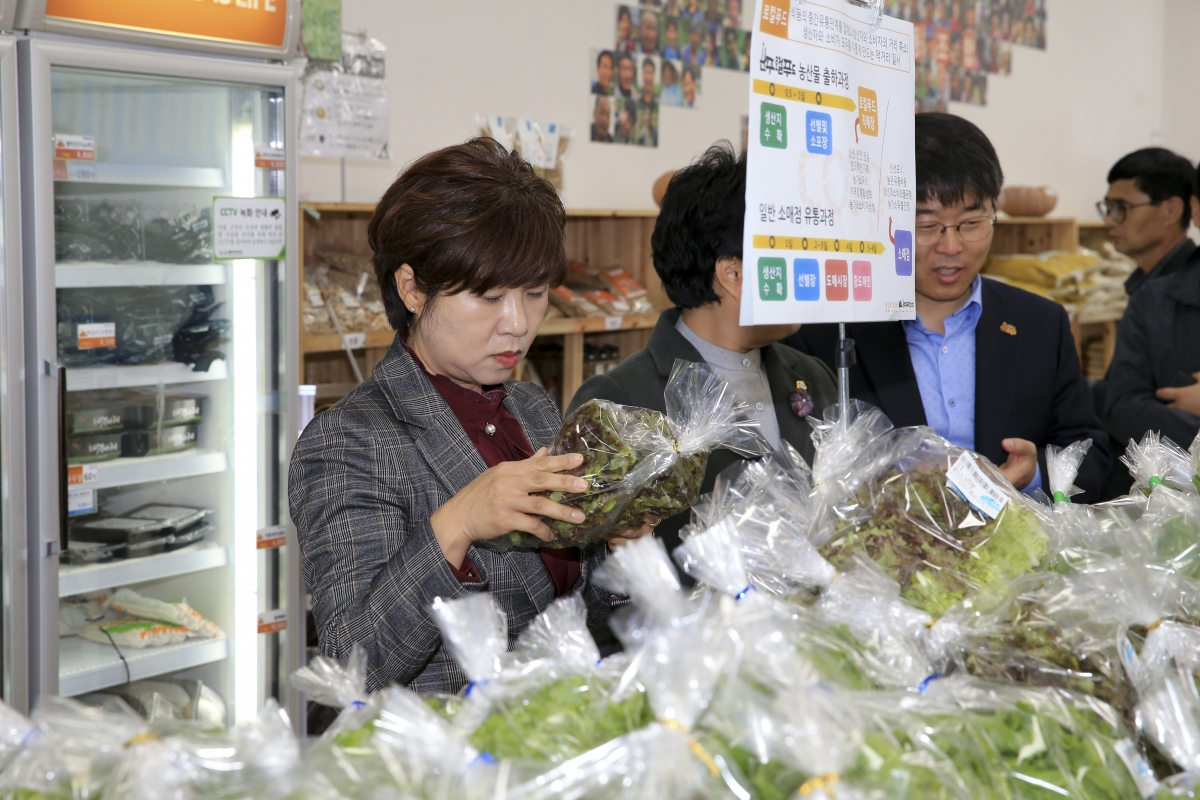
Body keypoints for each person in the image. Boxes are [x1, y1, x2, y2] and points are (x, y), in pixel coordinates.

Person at [290, 139, 651, 693]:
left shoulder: (531, 409)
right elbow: (350, 669)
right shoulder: (349, 440)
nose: (517, 324)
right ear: (412, 288)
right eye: (487, 298)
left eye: (533, 294)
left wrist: (621, 552)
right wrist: (455, 525)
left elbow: (572, 619)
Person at [786, 113, 1111, 502]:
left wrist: (1037, 471)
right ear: (885, 222)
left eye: (972, 223)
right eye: (926, 225)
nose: (952, 247)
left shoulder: (1040, 323)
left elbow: (1092, 454)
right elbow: (796, 465)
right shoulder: (829, 332)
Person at [568, 144, 837, 579]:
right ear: (732, 274)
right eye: (794, 251)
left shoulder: (812, 376)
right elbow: (590, 584)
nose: (813, 271)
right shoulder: (618, 402)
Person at [1104, 164, 1200, 473]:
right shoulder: (1151, 300)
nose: (1109, 220)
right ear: (1195, 210)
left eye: (1122, 208)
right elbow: (1123, 408)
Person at [1098, 148, 1196, 296]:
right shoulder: (1143, 285)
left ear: (1171, 212)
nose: (1109, 221)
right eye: (1109, 208)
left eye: (1122, 207)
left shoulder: (1191, 290)